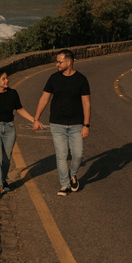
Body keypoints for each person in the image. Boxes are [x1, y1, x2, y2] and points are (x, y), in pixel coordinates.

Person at [32, 49, 91, 196]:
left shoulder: (81, 79)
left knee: (78, 154)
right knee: (61, 155)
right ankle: (64, 184)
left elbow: (86, 103)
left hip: (76, 124)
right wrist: (36, 119)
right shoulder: (53, 78)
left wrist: (86, 125)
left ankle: (73, 174)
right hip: (57, 123)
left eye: (60, 62)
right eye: (57, 62)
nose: (57, 64)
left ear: (69, 62)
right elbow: (44, 98)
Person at [0, 70, 40, 200]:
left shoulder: (13, 93)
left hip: (9, 129)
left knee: (6, 159)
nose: (7, 80)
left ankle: (3, 179)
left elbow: (20, 109)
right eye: (4, 79)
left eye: (7, 78)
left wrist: (34, 120)